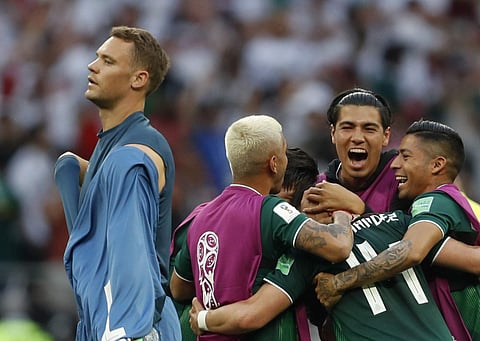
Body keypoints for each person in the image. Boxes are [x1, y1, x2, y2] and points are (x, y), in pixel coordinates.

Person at [169, 114, 354, 341]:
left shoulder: (200, 216)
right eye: (284, 153)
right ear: (274, 163)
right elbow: (338, 246)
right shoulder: (271, 210)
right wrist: (343, 213)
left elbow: (179, 288)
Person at [53, 26, 181, 340]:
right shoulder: (113, 149)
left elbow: (131, 249)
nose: (92, 66)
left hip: (131, 327)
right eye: (97, 57)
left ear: (138, 79)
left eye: (108, 61)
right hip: (106, 324)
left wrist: (126, 331)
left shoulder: (134, 156)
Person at [314, 120, 480, 341]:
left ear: (437, 165)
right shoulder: (446, 203)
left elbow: (410, 251)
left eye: (406, 156)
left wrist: (339, 283)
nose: (394, 164)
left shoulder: (434, 200)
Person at [168, 146, 319, 341]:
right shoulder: (203, 220)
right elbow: (178, 288)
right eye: (278, 202)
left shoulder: (300, 242)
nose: (280, 211)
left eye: (289, 206)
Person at [303, 87, 411, 220]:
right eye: (347, 128)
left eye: (369, 129)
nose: (358, 138)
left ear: (386, 136)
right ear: (333, 133)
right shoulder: (316, 190)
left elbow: (412, 237)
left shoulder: (403, 178)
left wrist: (357, 206)